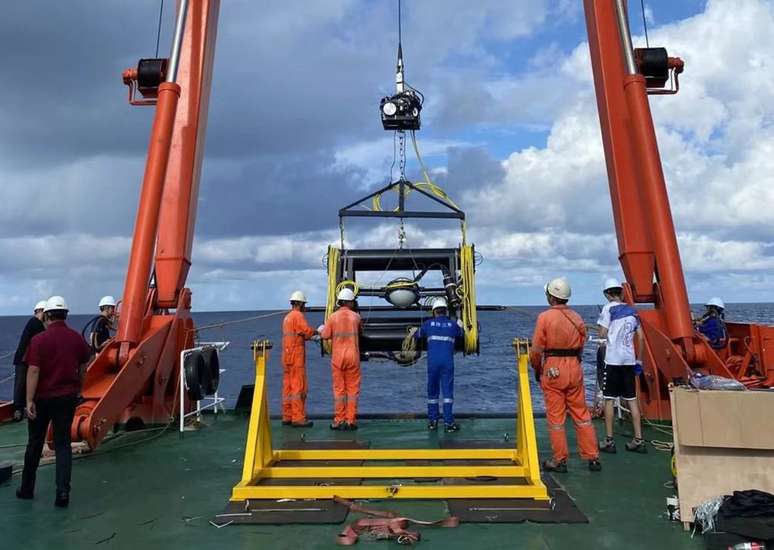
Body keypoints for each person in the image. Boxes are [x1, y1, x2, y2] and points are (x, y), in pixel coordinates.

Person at [17, 296, 91, 508]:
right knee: (62, 444)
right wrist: (80, 388)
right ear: (65, 315)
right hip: (66, 399)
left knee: (35, 443)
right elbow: (84, 365)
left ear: (47, 315)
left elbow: (33, 370)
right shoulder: (75, 338)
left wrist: (29, 400)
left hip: (42, 399)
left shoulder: (38, 340)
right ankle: (62, 493)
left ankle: (26, 489)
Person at [530, 277, 601, 473]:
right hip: (575, 369)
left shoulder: (544, 318)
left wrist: (537, 369)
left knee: (556, 419)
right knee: (582, 414)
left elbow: (536, 350)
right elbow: (582, 341)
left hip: (554, 369)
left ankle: (559, 460)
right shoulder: (577, 317)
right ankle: (593, 457)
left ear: (551, 297)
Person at [597, 279, 647, 454]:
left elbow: (602, 334)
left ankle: (609, 441)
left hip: (613, 361)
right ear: (621, 292)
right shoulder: (633, 312)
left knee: (609, 399)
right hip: (629, 361)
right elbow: (640, 338)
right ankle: (639, 440)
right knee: (631, 400)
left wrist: (603, 329)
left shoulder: (608, 308)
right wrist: (639, 360)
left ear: (607, 294)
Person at [412, 297, 463, 432]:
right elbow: (462, 334)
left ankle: (432, 422)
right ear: (446, 311)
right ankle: (448, 423)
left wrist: (414, 331)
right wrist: (460, 323)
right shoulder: (452, 325)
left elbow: (417, 335)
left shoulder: (428, 324)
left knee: (432, 393)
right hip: (447, 363)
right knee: (447, 394)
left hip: (433, 363)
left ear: (434, 312)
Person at [319, 288, 362, 430]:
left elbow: (325, 335)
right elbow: (361, 332)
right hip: (352, 357)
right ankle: (351, 421)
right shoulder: (356, 317)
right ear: (350, 302)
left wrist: (321, 329)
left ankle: (339, 420)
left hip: (338, 358)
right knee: (352, 390)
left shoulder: (332, 317)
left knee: (339, 391)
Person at [281, 290, 318, 428]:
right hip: (296, 357)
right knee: (298, 387)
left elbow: (295, 335)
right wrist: (316, 331)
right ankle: (298, 418)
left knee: (287, 387)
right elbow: (305, 331)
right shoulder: (298, 316)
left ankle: (287, 416)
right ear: (301, 304)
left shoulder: (287, 318)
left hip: (286, 356)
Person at [11, 301, 47, 422]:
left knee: (21, 385)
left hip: (24, 358)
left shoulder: (34, 323)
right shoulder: (36, 323)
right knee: (22, 384)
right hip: (25, 359)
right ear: (40, 311)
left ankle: (19, 410)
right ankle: (19, 410)